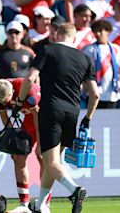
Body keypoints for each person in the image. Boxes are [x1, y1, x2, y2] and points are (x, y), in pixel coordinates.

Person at [13, 23, 99, 213]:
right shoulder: (85, 58)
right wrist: (88, 117)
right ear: (74, 38)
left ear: (57, 34)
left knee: (50, 162)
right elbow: (95, 94)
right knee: (53, 160)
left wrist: (19, 102)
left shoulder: (48, 50)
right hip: (73, 113)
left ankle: (74, 190)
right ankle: (42, 204)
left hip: (51, 110)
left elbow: (29, 79)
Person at [0, 78, 48, 213]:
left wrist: (40, 145)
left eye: (6, 100)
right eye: (2, 102)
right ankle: (24, 204)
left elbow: (37, 118)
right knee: (18, 156)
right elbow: (4, 117)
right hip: (28, 118)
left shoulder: (28, 91)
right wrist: (13, 139)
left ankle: (45, 203)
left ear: (12, 92)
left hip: (44, 117)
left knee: (42, 157)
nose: (5, 103)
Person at [83, 19, 120, 109]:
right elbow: (83, 70)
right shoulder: (89, 49)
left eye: (100, 31)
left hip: (112, 94)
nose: (97, 34)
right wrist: (86, 86)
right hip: (95, 94)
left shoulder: (116, 48)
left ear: (108, 32)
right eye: (95, 32)